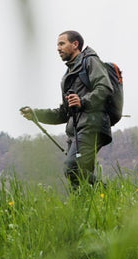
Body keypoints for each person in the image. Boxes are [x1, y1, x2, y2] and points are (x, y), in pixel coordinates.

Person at [20, 30, 114, 187]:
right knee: (77, 180)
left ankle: (111, 193)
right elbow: (64, 113)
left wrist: (82, 101)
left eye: (62, 44)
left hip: (91, 127)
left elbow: (105, 88)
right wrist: (36, 115)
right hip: (76, 132)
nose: (58, 48)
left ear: (75, 44)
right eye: (57, 45)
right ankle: (85, 208)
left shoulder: (90, 62)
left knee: (72, 168)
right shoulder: (68, 74)